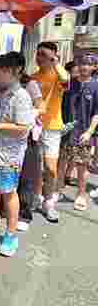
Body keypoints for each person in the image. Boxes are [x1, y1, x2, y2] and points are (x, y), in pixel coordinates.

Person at [0, 54, 35, 257]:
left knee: (8, 192)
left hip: (10, 155)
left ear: (13, 72)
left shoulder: (21, 96)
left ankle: (11, 234)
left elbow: (23, 128)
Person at [31, 42, 70, 223]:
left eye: (43, 54)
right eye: (38, 53)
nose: (39, 57)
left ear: (53, 57)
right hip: (34, 127)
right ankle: (37, 198)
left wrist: (55, 61)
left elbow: (66, 78)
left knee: (50, 168)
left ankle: (49, 202)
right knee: (36, 166)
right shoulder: (33, 77)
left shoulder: (58, 76)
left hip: (53, 128)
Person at [58, 55, 98, 211]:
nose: (84, 67)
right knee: (61, 163)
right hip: (65, 132)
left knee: (82, 166)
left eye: (88, 64)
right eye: (81, 63)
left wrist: (89, 132)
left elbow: (96, 113)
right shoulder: (70, 83)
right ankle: (57, 190)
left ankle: (81, 195)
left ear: (95, 67)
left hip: (83, 133)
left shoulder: (96, 86)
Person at [12, 52, 44, 232]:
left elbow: (42, 107)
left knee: (27, 174)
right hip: (9, 136)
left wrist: (28, 115)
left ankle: (24, 213)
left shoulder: (29, 84)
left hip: (28, 135)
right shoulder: (1, 85)